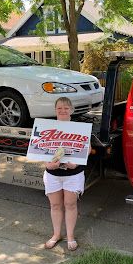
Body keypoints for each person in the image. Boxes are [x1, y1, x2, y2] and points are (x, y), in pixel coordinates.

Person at [43, 97, 87, 251]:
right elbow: (40, 150)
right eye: (59, 108)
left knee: (70, 204)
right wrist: (47, 164)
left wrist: (76, 163)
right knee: (55, 205)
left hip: (73, 174)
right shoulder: (46, 128)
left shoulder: (80, 128)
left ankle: (70, 236)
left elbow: (85, 150)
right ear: (55, 110)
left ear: (72, 110)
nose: (63, 110)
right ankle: (56, 235)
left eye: (66, 108)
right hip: (52, 174)